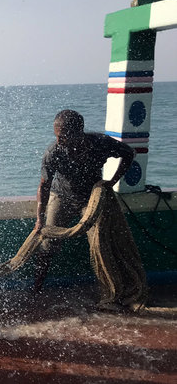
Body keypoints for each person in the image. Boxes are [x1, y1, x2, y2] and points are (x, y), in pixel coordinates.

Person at [33, 109, 136, 299]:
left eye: (63, 137)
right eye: (56, 136)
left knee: (100, 244)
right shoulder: (53, 152)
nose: (58, 141)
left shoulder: (100, 144)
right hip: (62, 197)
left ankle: (110, 291)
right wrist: (39, 219)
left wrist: (112, 182)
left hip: (91, 199)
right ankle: (36, 287)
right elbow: (44, 186)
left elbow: (129, 153)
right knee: (48, 243)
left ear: (78, 133)